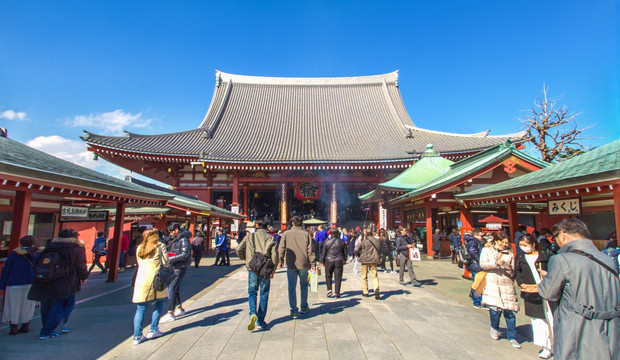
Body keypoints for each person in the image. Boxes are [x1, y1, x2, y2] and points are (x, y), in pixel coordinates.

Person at [538, 219, 619, 360]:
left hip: (577, 333)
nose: (555, 241)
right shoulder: (609, 260)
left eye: (555, 237)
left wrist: (547, 279)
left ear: (562, 235)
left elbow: (547, 293)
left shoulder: (561, 260)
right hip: (610, 332)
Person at [28, 228, 89, 340]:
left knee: (47, 304)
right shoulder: (76, 248)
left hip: (47, 279)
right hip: (67, 280)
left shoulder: (50, 246)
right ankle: (51, 329)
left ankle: (48, 327)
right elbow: (81, 265)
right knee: (65, 304)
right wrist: (84, 276)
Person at [480, 232, 521, 349]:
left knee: (509, 311)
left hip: (506, 283)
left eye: (506, 243)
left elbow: (513, 271)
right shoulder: (487, 250)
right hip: (492, 282)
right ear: (495, 241)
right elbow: (482, 264)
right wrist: (495, 264)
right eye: (501, 242)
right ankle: (494, 328)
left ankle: (512, 336)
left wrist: (508, 268)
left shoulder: (510, 254)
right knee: (494, 310)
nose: (504, 245)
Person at [514, 234, 552, 359]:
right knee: (537, 320)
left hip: (547, 290)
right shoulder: (519, 257)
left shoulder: (545, 256)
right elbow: (517, 272)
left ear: (533, 244)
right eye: (521, 245)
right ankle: (545, 346)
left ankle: (554, 344)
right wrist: (521, 283)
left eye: (525, 245)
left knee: (551, 319)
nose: (523, 248)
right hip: (530, 291)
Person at [236, 220, 278, 331]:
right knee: (264, 293)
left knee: (252, 292)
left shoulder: (250, 237)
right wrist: (273, 269)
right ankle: (260, 321)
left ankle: (252, 312)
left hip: (252, 268)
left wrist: (245, 259)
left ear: (256, 226)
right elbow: (275, 256)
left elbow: (238, 248)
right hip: (265, 269)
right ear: (267, 227)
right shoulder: (270, 238)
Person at [132, 229, 168, 345]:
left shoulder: (140, 248)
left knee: (141, 308)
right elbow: (166, 262)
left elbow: (138, 262)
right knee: (159, 303)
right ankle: (153, 329)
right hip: (156, 277)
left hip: (142, 278)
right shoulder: (160, 246)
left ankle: (137, 336)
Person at [0, 235, 39, 335]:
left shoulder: (15, 254)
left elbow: (7, 269)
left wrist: (2, 285)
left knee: (13, 305)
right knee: (27, 305)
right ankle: (25, 325)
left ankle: (14, 327)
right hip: (31, 282)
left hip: (14, 283)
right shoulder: (37, 253)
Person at [278, 216, 315, 319]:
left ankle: (294, 310)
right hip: (304, 263)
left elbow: (281, 248)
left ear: (293, 223)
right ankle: (304, 306)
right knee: (304, 285)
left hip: (291, 263)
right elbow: (310, 250)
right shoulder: (306, 234)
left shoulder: (286, 234)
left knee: (292, 287)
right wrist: (313, 264)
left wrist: (280, 260)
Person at [163, 223, 191, 322]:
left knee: (172, 288)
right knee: (175, 287)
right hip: (174, 265)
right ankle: (179, 308)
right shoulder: (174, 239)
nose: (170, 233)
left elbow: (184, 253)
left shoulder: (184, 239)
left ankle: (170, 312)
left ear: (176, 230)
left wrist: (169, 259)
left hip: (179, 266)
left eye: (171, 231)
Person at [320, 228, 347, 298]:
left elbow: (323, 253)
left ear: (330, 234)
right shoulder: (342, 242)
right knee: (338, 277)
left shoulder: (327, 242)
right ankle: (337, 293)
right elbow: (345, 252)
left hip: (329, 260)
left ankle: (329, 290)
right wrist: (345, 260)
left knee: (328, 275)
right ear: (338, 233)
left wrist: (322, 261)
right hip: (339, 260)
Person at [355, 228, 382, 299]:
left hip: (364, 260)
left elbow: (356, 249)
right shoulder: (377, 241)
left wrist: (358, 255)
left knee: (364, 276)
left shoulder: (363, 241)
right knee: (374, 275)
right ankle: (376, 288)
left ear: (366, 234)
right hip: (373, 260)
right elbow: (380, 249)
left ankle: (365, 292)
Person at [465, 228, 485, 309]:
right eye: (481, 236)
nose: (482, 237)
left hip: (474, 264)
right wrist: (480, 260)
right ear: (476, 235)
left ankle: (477, 299)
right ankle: (477, 301)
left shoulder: (473, 241)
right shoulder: (473, 241)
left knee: (477, 282)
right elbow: (472, 251)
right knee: (478, 283)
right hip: (476, 265)